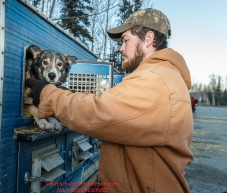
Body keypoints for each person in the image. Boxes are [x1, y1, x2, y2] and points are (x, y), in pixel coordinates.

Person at [27, 8, 194, 193]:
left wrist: (47, 93)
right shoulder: (162, 76)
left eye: (126, 40)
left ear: (147, 39)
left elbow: (99, 113)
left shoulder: (155, 79)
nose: (121, 48)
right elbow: (117, 110)